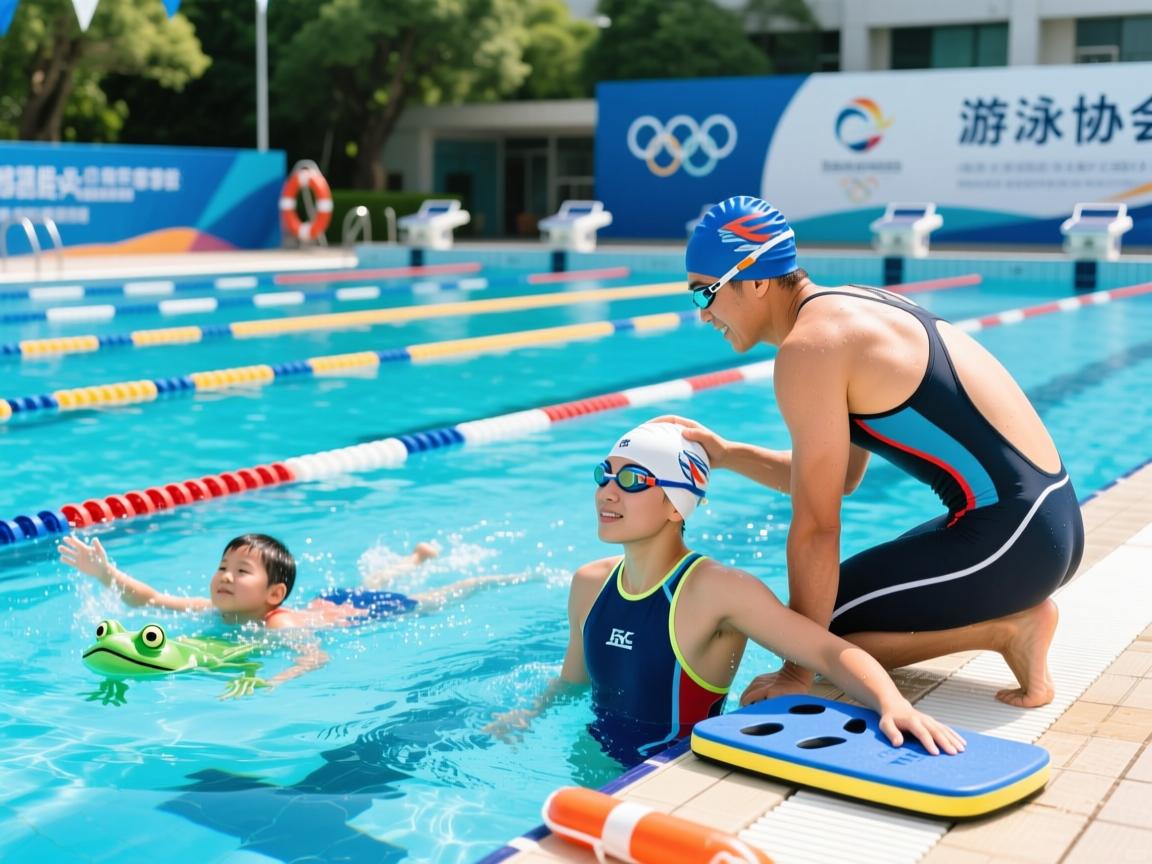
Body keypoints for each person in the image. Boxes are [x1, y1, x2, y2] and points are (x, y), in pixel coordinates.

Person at [669, 195, 1084, 710]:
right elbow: (842, 479)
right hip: (1043, 524)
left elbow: (818, 524)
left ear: (754, 279)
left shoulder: (809, 348)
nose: (703, 314)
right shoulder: (846, 309)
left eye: (703, 294)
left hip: (1015, 539)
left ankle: (1009, 630)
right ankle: (1013, 618)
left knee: (824, 636)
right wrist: (726, 453)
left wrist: (797, 670)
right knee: (820, 616)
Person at [489, 422, 964, 766]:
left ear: (678, 504)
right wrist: (529, 715)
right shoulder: (590, 583)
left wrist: (892, 704)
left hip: (674, 774)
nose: (608, 492)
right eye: (604, 474)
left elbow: (828, 651)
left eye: (632, 480)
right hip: (589, 760)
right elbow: (573, 681)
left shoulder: (715, 591)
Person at [61, 532, 521, 692]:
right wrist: (106, 574)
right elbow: (150, 599)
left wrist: (273, 680)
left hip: (364, 614)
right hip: (332, 601)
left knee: (427, 600)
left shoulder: (277, 623)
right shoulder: (214, 608)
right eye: (222, 566)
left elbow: (314, 657)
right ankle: (415, 559)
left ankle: (486, 579)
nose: (224, 576)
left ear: (273, 595)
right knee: (368, 582)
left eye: (241, 571)